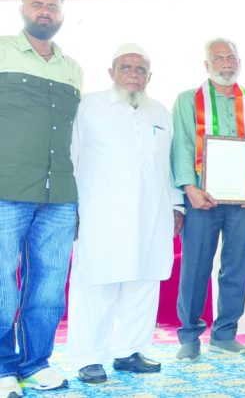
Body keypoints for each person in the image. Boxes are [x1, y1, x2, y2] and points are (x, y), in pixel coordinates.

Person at [68, 44, 183, 383]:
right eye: (126, 67)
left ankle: (129, 350)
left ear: (150, 76)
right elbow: (71, 156)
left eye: (141, 69)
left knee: (143, 281)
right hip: (100, 212)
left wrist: (176, 205)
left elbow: (168, 163)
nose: (134, 74)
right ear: (111, 73)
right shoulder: (89, 106)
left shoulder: (159, 112)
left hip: (152, 213)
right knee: (97, 282)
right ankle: (89, 358)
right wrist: (70, 206)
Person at [171, 38, 245, 362]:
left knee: (237, 267)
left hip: (242, 201)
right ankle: (189, 336)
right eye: (218, 58)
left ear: (239, 62)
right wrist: (189, 188)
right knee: (195, 267)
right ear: (207, 65)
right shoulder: (188, 101)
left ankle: (225, 334)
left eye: (231, 57)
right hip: (201, 198)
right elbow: (182, 145)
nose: (226, 63)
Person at [0, 0, 82, 396]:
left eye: (52, 6)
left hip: (59, 196)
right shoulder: (2, 51)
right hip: (6, 189)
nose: (45, 12)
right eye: (37, 4)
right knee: (1, 284)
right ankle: (2, 367)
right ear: (22, 9)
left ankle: (36, 363)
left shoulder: (73, 68)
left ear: (61, 14)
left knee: (49, 286)